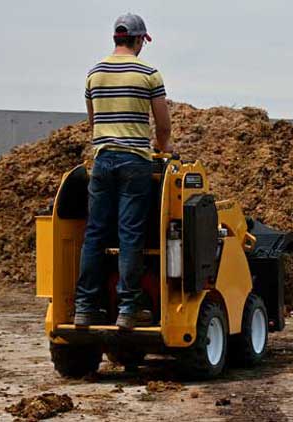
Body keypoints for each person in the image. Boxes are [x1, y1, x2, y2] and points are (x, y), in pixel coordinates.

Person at [74, 12, 173, 329]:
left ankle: (85, 307)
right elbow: (163, 124)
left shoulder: (94, 74)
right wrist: (164, 147)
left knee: (95, 235)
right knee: (131, 235)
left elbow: (92, 125)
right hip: (135, 162)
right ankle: (129, 307)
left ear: (116, 38)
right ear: (139, 40)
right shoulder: (148, 74)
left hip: (102, 160)